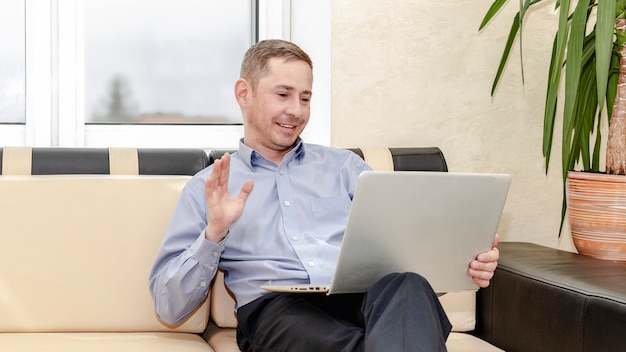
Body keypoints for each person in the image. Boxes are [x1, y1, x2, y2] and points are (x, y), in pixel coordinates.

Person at [149, 39, 500, 352]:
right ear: (244, 93)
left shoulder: (347, 168)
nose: (297, 111)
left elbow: (404, 256)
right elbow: (169, 306)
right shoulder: (208, 188)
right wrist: (215, 234)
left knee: (407, 286)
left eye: (305, 98)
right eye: (283, 94)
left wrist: (459, 263)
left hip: (367, 300)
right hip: (278, 312)